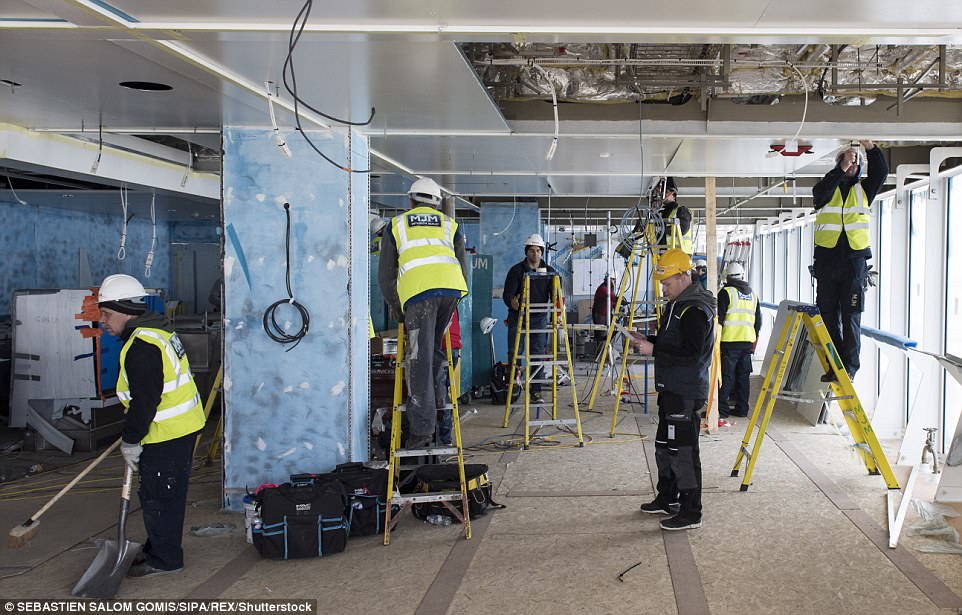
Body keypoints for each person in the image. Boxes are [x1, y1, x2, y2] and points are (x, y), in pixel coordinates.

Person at [97, 273, 206, 578]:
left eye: (106, 314)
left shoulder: (141, 346)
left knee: (159, 496)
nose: (104, 322)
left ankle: (165, 559)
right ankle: (158, 546)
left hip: (167, 434)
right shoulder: (155, 332)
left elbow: (145, 401)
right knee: (163, 494)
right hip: (180, 428)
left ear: (122, 310)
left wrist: (131, 440)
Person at [627, 249, 716, 531]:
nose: (663, 289)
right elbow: (672, 343)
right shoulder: (677, 304)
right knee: (665, 446)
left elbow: (692, 353)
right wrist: (649, 340)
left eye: (667, 283)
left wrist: (654, 349)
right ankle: (669, 498)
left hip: (686, 391)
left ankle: (691, 512)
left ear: (682, 276)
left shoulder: (694, 309)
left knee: (684, 451)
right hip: (671, 388)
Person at [378, 177, 469, 449]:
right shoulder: (451, 225)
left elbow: (385, 276)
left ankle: (421, 431)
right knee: (435, 356)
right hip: (450, 292)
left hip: (419, 297)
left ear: (410, 201)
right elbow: (463, 269)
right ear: (437, 203)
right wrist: (453, 299)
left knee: (418, 359)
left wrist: (396, 303)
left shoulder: (396, 226)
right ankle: (441, 424)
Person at [811, 140, 888, 380]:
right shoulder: (825, 189)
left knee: (852, 315)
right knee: (827, 315)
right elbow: (819, 194)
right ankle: (835, 366)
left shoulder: (864, 191)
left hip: (854, 263)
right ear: (839, 165)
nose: (851, 165)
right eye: (847, 162)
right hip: (827, 261)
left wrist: (870, 148)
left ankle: (850, 367)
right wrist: (841, 169)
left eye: (855, 163)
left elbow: (881, 172)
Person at [503, 233, 556, 403]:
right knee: (515, 353)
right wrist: (512, 302)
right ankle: (513, 388)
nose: (535, 254)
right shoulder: (516, 271)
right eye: (532, 251)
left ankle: (536, 391)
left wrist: (558, 314)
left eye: (538, 251)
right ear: (526, 252)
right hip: (518, 317)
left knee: (537, 354)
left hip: (539, 317)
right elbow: (507, 294)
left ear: (542, 252)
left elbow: (556, 296)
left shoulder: (550, 272)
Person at [716, 263, 761, 418]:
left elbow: (718, 319)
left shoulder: (725, 293)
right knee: (743, 377)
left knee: (726, 377)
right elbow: (758, 322)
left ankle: (722, 410)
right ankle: (742, 409)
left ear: (727, 277)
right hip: (747, 342)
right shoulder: (752, 294)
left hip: (729, 342)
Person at [438, 310, 461, 446]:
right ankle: (445, 436)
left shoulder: (429, 297)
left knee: (440, 393)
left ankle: (444, 439)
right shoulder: (450, 294)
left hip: (442, 346)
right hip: (453, 346)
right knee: (444, 391)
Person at [653, 177, 693, 255]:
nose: (662, 195)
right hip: (666, 254)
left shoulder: (681, 211)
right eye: (661, 193)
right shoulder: (661, 213)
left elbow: (683, 229)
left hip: (681, 254)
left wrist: (663, 228)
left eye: (666, 192)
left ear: (673, 195)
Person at [591, 274, 617, 348]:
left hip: (606, 314)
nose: (614, 282)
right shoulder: (603, 288)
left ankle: (606, 351)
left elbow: (612, 301)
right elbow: (612, 297)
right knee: (601, 333)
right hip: (600, 314)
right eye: (612, 280)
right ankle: (600, 354)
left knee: (614, 329)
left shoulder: (609, 288)